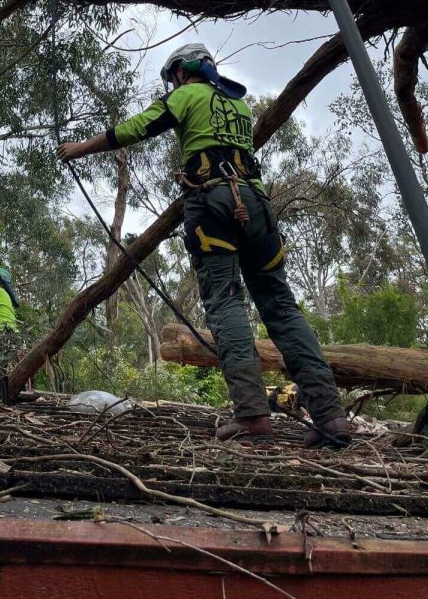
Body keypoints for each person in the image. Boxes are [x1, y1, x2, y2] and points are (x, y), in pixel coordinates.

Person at [56, 42, 351, 447]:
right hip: (257, 204)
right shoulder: (238, 105)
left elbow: (135, 128)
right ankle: (331, 417)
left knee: (227, 301)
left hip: (213, 203)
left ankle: (251, 416)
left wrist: (79, 149)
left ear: (180, 72)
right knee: (281, 307)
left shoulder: (184, 95)